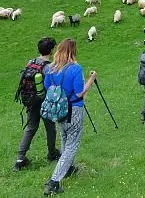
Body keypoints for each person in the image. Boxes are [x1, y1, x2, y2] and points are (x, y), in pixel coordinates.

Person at [43, 38, 96, 196]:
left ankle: (67, 169)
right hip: (74, 109)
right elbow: (79, 92)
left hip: (58, 110)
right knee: (71, 146)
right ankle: (54, 182)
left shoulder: (50, 69)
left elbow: (47, 87)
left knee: (65, 139)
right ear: (73, 51)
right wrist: (91, 80)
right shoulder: (75, 68)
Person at [13, 37, 60, 171]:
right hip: (43, 101)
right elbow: (53, 85)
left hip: (30, 101)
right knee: (50, 127)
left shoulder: (31, 62)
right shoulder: (49, 67)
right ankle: (52, 153)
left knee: (31, 128)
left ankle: (20, 158)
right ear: (51, 50)